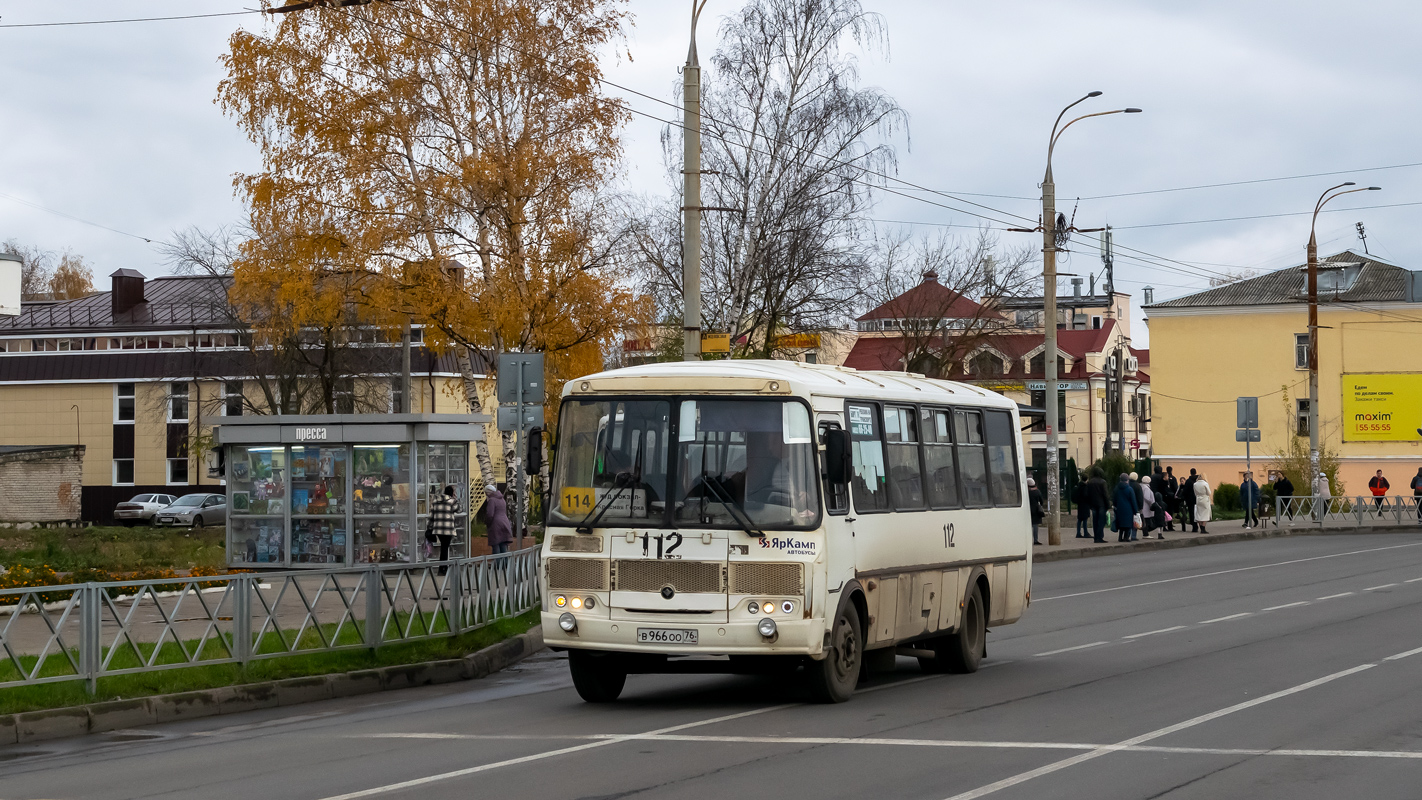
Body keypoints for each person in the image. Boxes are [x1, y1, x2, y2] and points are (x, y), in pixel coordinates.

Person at [429, 485, 461, 575]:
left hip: (438, 529)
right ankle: (443, 568)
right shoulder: (451, 501)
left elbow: (431, 516)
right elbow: (459, 509)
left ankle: (442, 568)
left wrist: (430, 527)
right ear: (451, 493)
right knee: (444, 548)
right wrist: (456, 498)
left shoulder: (435, 501)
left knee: (443, 547)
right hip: (448, 529)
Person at [484, 483, 513, 555]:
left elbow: (490, 514)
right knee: (503, 545)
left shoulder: (492, 500)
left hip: (495, 525)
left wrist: (487, 523)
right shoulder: (502, 499)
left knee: (496, 545)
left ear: (488, 492)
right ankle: (505, 565)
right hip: (505, 523)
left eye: (486, 493)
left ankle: (497, 565)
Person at [1113, 473, 1140, 542]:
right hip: (1128, 509)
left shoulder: (1116, 488)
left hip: (1119, 508)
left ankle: (1120, 537)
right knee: (1128, 524)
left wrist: (1115, 506)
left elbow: (1114, 499)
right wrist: (1135, 510)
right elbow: (1133, 500)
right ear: (1127, 480)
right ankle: (1126, 537)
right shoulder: (1129, 489)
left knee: (1121, 523)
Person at [1086, 467, 1110, 543]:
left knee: (1095, 521)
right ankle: (1100, 537)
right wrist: (1108, 505)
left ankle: (1096, 537)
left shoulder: (1090, 482)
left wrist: (1089, 504)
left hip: (1093, 504)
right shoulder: (1103, 482)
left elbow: (1088, 494)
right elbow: (1105, 494)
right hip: (1101, 504)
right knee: (1101, 521)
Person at [1028, 477, 1044, 546]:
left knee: (1028, 526)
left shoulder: (1027, 492)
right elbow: (1041, 501)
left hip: (1028, 510)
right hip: (1036, 510)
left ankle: (1028, 540)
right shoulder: (1037, 491)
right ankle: (1035, 540)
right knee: (1035, 526)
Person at [1163, 466, 1180, 531]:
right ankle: (1170, 526)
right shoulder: (1173, 478)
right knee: (1170, 511)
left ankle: (1164, 526)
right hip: (1171, 497)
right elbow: (1176, 488)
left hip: (1165, 497)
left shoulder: (1164, 478)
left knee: (1164, 511)